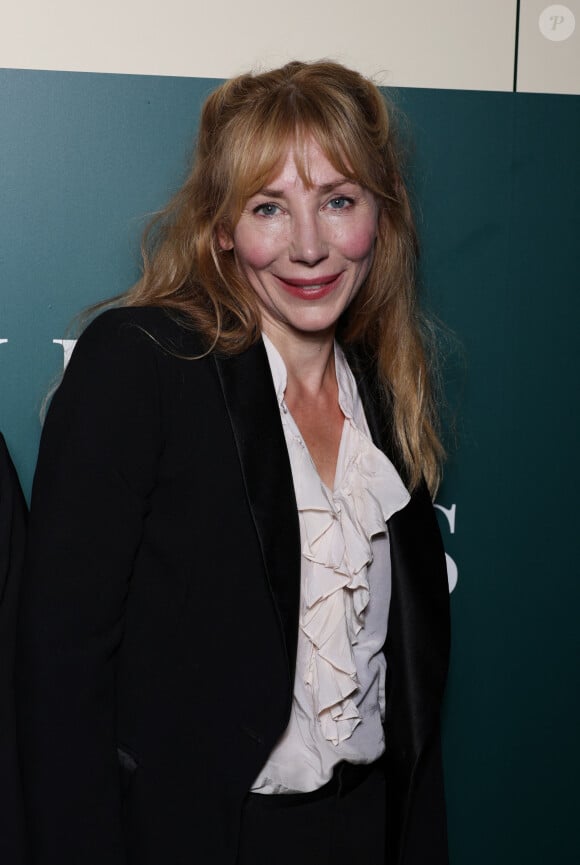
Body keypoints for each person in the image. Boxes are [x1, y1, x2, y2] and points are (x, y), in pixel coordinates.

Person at [17, 60, 450, 865]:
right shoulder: (142, 365)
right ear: (221, 227)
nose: (311, 245)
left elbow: (407, 698)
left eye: (338, 201)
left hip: (363, 832)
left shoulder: (386, 401)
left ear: (378, 217)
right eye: (268, 208)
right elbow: (61, 674)